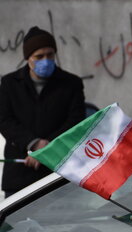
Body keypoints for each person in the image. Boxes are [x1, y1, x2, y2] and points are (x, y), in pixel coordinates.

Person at [0, 26, 85, 197]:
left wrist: (48, 148)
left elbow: (76, 121)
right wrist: (33, 144)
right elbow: (5, 120)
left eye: (50, 55)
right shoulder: (10, 83)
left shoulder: (71, 83)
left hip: (59, 174)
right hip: (20, 174)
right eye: (39, 56)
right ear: (28, 58)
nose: (45, 60)